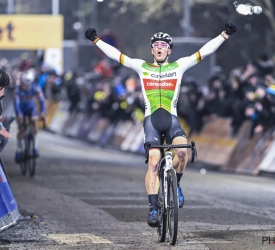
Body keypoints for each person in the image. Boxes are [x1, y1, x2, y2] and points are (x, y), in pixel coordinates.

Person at [85, 21, 237, 227]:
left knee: (183, 152)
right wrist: (96, 40)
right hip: (152, 122)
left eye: (163, 45)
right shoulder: (142, 67)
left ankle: (177, 185)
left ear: (170, 50)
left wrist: (224, 35)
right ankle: (154, 209)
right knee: (154, 163)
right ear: (151, 50)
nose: (159, 47)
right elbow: (116, 55)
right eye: (156, 44)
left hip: (171, 120)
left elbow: (204, 51)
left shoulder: (179, 66)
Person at [14, 69, 46, 163]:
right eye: (23, 83)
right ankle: (19, 150)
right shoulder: (17, 90)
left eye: (27, 84)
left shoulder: (35, 88)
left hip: (31, 109)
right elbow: (16, 103)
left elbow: (42, 101)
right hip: (21, 110)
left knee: (35, 123)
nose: (25, 86)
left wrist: (43, 112)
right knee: (21, 129)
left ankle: (35, 148)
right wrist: (19, 114)